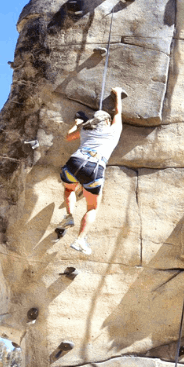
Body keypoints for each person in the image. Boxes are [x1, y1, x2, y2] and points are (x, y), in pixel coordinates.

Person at [58, 86, 126, 255]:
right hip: (94, 168)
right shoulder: (113, 131)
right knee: (92, 208)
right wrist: (117, 93)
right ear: (107, 122)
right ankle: (80, 240)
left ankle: (69, 216)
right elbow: (118, 113)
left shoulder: (85, 131)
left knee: (68, 189)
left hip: (74, 162)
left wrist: (76, 124)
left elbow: (68, 136)